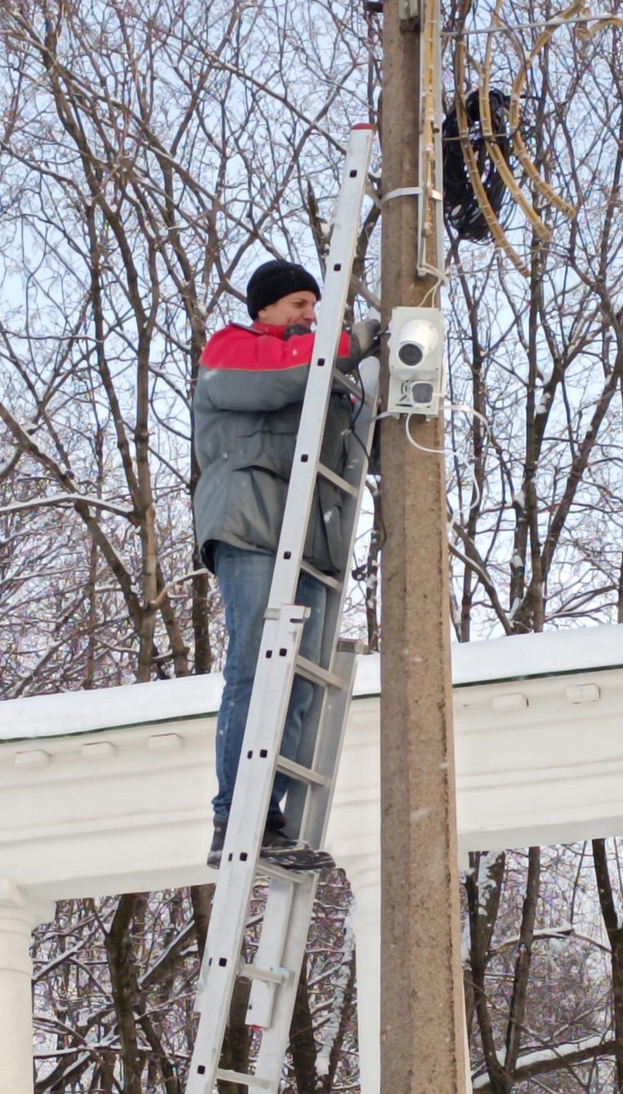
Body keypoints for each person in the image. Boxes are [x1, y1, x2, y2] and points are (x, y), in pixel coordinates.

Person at [193, 259, 380, 868]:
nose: (309, 316)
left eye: (314, 306)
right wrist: (353, 346)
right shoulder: (234, 349)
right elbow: (281, 378)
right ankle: (234, 818)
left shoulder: (314, 369)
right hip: (249, 525)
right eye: (299, 304)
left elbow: (352, 449)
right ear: (265, 308)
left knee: (301, 682)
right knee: (255, 664)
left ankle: (274, 820)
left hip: (310, 539)